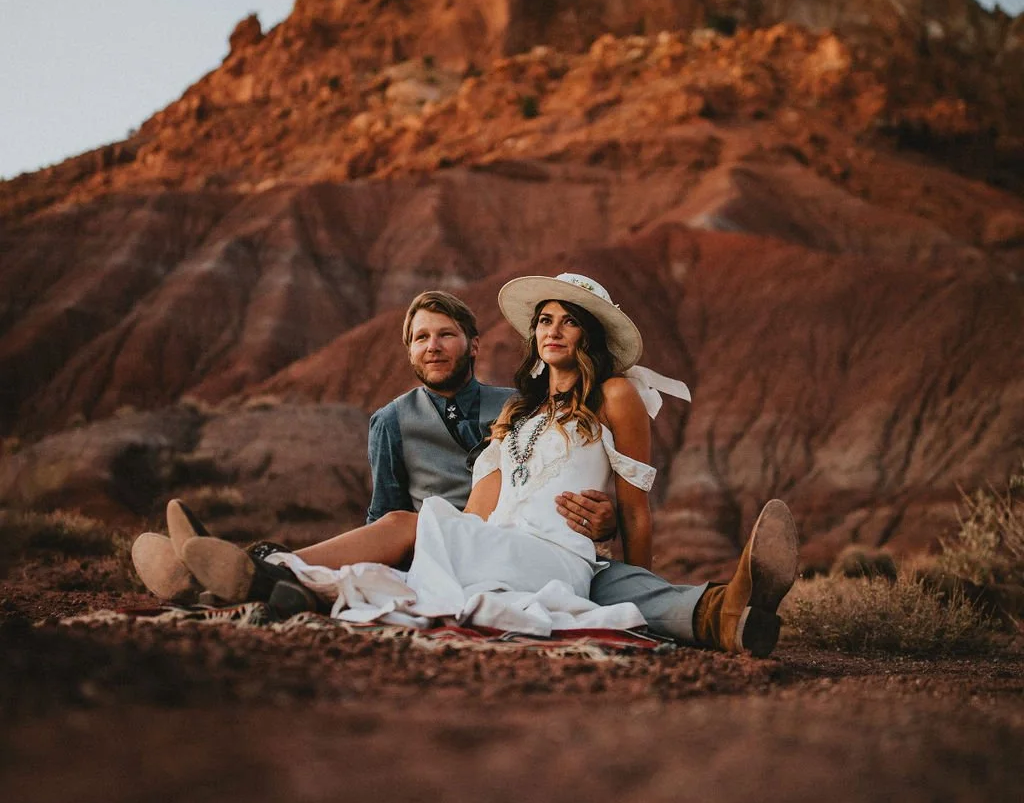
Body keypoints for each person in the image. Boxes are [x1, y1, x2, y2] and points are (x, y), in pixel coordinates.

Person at [132, 275, 799, 653]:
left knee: (407, 522)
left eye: (568, 320)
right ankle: (252, 581)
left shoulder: (617, 397)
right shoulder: (513, 420)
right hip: (503, 549)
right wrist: (450, 541)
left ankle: (262, 566)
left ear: (589, 335)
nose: (552, 329)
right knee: (400, 552)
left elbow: (633, 508)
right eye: (544, 320)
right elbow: (478, 515)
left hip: (562, 558)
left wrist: (618, 564)